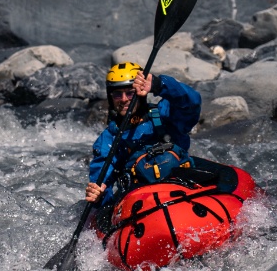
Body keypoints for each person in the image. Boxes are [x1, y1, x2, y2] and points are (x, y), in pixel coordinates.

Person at [85, 62, 202, 208]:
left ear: (140, 93)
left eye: (130, 93)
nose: (123, 99)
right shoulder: (108, 139)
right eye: (117, 94)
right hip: (142, 205)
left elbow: (193, 102)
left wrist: (159, 85)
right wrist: (99, 195)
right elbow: (102, 183)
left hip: (183, 190)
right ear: (110, 97)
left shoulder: (165, 115)